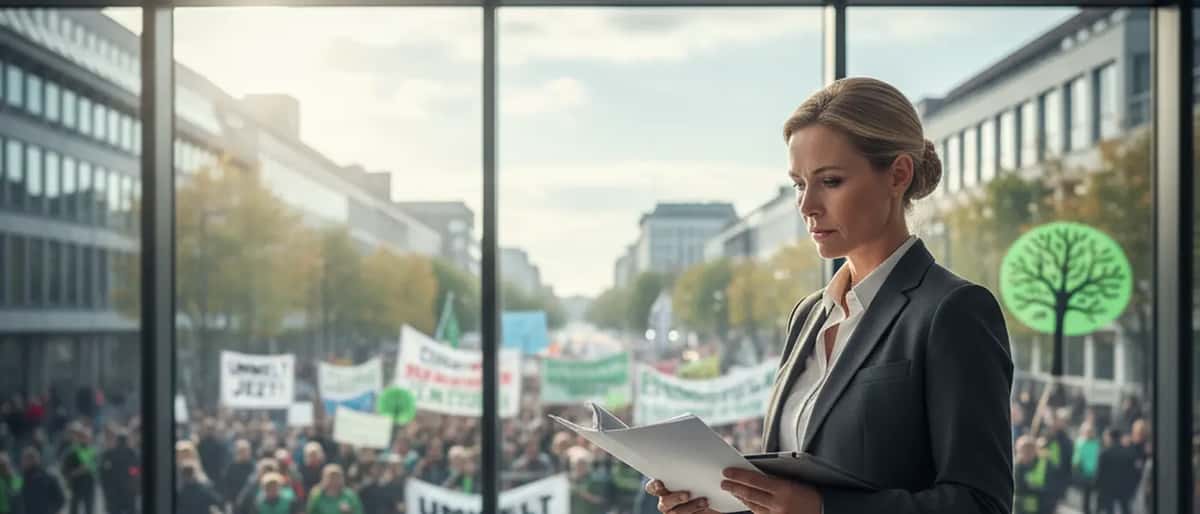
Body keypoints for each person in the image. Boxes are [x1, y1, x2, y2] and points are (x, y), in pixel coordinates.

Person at [646, 77, 1013, 514]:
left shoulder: (953, 311)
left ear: (898, 175)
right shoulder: (808, 314)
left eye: (831, 181)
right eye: (799, 184)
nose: (806, 206)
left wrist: (825, 509)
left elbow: (981, 503)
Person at [61, 423, 97, 514]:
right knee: (74, 509)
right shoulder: (71, 453)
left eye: (86, 437)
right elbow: (65, 470)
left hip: (89, 484)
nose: (85, 439)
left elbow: (96, 467)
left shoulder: (92, 451)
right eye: (82, 437)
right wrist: (78, 471)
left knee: (89, 509)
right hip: (76, 485)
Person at [99, 431, 139, 514]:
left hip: (113, 490)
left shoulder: (108, 453)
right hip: (128, 489)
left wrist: (106, 487)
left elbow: (103, 472)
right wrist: (133, 482)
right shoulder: (131, 453)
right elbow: (135, 470)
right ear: (126, 441)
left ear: (117, 441)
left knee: (114, 510)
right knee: (130, 510)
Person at [19, 447, 64, 514]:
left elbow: (61, 499)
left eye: (26, 459)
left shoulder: (48, 477)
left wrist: (50, 511)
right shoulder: (21, 479)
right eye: (23, 459)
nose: (23, 462)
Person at [1014, 435, 1047, 514]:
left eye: (1031, 452)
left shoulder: (1038, 464)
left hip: (1033, 503)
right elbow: (1018, 486)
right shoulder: (1016, 466)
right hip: (1018, 502)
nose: (1028, 454)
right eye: (1025, 451)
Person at [1074, 422, 1101, 514]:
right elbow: (1076, 458)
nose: (1089, 433)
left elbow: (1098, 456)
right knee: (1086, 496)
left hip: (1095, 473)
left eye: (1091, 431)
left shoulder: (1096, 443)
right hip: (1084, 473)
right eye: (1087, 431)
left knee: (1097, 496)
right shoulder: (1080, 443)